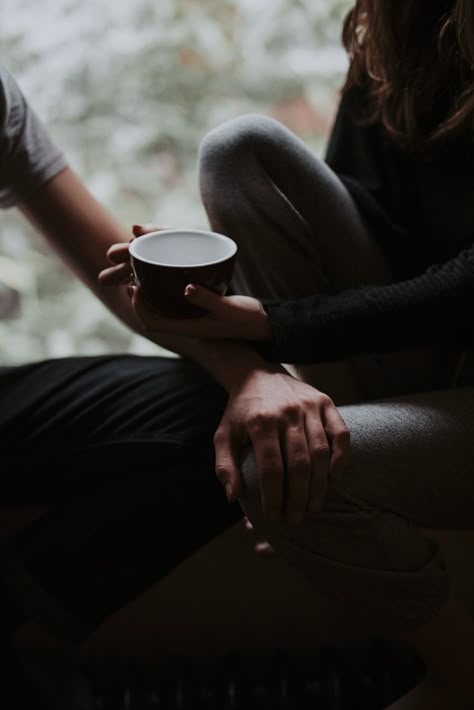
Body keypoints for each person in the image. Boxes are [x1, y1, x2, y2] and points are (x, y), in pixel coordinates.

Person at [0, 0, 473, 707]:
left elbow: (450, 287)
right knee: (240, 149)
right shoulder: (391, 29)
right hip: (422, 355)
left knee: (227, 419)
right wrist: (253, 322)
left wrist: (252, 366)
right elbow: (372, 239)